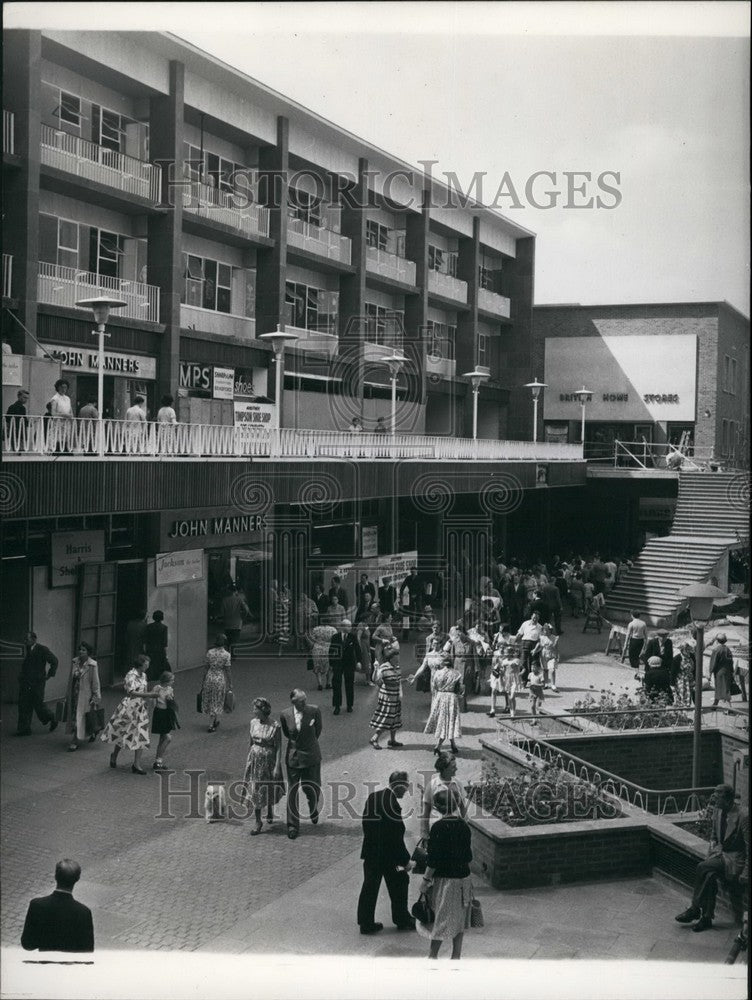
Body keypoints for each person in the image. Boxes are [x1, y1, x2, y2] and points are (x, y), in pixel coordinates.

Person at [675, 784, 749, 932]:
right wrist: (712, 852)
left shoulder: (743, 816)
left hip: (735, 859)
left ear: (728, 800)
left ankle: (695, 908)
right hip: (719, 854)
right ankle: (706, 918)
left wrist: (746, 872)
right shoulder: (718, 810)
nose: (714, 800)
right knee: (709, 874)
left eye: (718, 797)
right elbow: (713, 837)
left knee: (702, 867)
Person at [357, 770, 416, 935]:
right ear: (398, 785)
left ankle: (365, 923)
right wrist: (406, 861)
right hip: (389, 859)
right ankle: (402, 919)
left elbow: (366, 823)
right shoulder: (392, 805)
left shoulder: (374, 797)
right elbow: (396, 836)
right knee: (401, 881)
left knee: (369, 887)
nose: (406, 790)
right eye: (405, 786)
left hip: (371, 853)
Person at [417, 788, 474, 959]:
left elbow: (434, 860)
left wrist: (425, 880)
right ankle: (456, 955)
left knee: (441, 920)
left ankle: (432, 956)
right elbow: (468, 856)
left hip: (447, 881)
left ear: (438, 808)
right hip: (464, 879)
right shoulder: (464, 826)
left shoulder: (438, 827)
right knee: (460, 919)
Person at [101, 655, 158, 773]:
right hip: (130, 707)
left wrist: (146, 701)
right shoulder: (131, 675)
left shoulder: (144, 675)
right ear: (140, 664)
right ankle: (114, 754)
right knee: (122, 732)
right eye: (146, 663)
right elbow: (132, 692)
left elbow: (144, 690)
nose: (148, 665)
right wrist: (150, 695)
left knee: (141, 734)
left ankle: (136, 764)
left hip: (140, 708)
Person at [21, 859, 94, 953]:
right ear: (77, 879)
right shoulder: (83, 913)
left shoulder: (37, 905)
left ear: (55, 876)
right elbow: (87, 951)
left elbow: (27, 944)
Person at [280, 688, 323, 840]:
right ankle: (292, 826)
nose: (305, 702)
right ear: (293, 702)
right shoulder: (285, 714)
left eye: (305, 699)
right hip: (294, 757)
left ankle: (313, 807)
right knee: (293, 791)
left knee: (313, 787)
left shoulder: (314, 711)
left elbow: (318, 730)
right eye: (301, 701)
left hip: (311, 756)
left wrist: (309, 744)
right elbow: (287, 733)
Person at [242, 697, 284, 836]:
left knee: (269, 786)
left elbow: (278, 747)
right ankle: (258, 821)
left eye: (256, 708)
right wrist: (249, 760)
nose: (253, 711)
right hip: (255, 761)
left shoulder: (275, 726)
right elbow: (250, 742)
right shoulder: (253, 723)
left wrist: (277, 766)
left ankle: (270, 809)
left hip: (269, 760)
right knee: (256, 790)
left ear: (262, 710)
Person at [419, 750, 468, 841]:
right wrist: (424, 832)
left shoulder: (457, 784)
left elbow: (463, 807)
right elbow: (425, 811)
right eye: (453, 767)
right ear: (444, 769)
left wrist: (465, 826)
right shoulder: (432, 785)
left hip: (455, 827)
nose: (456, 769)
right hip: (437, 828)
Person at [16, 631, 59, 736]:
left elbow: (54, 660)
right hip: (26, 682)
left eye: (27, 639)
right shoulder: (27, 649)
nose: (25, 641)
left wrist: (49, 674)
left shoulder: (42, 649)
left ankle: (52, 718)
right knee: (24, 705)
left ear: (34, 639)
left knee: (38, 705)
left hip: (37, 683)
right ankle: (24, 729)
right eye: (24, 639)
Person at [64, 641, 102, 752]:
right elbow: (70, 679)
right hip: (74, 694)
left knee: (81, 716)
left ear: (88, 652)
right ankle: (93, 731)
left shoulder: (92, 665)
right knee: (77, 716)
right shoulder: (75, 662)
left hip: (86, 695)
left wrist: (96, 696)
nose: (81, 651)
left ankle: (75, 740)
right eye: (80, 649)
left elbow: (96, 682)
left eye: (84, 650)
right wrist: (67, 694)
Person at [423, 654, 463, 755]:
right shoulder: (456, 674)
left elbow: (435, 686)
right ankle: (438, 746)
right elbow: (459, 689)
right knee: (449, 721)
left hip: (440, 697)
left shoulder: (437, 673)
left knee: (443, 721)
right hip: (451, 698)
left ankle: (453, 745)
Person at [369, 641, 403, 750]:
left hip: (395, 697)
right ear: (390, 658)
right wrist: (375, 670)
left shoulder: (397, 668)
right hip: (387, 698)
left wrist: (407, 680)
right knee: (386, 718)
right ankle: (374, 738)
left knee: (395, 718)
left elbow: (398, 681)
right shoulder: (383, 668)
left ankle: (392, 740)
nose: (398, 659)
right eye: (396, 657)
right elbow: (376, 680)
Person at [201, 634, 233, 732]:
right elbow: (227, 670)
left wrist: (203, 680)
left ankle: (214, 720)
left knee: (210, 699)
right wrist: (230, 683)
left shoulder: (210, 652)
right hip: (219, 678)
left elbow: (206, 667)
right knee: (217, 700)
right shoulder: (226, 654)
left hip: (209, 677)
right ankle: (211, 725)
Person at [330, 620, 360, 715]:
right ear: (343, 627)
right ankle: (337, 706)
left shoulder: (352, 637)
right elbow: (331, 650)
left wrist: (359, 661)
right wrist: (331, 664)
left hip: (349, 663)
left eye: (350, 626)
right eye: (348, 626)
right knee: (336, 684)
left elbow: (357, 649)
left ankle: (349, 705)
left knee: (349, 684)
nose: (350, 628)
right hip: (338, 664)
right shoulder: (335, 637)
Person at [151, 670, 179, 771]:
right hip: (159, 713)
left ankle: (158, 761)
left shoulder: (170, 689)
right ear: (166, 681)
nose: (173, 682)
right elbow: (153, 702)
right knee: (167, 738)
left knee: (162, 738)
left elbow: (172, 701)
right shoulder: (157, 688)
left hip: (166, 713)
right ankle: (158, 760)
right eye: (171, 680)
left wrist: (170, 698)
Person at [222, 584, 250, 657]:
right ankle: (233, 654)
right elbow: (246, 610)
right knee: (235, 638)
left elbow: (222, 612)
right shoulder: (239, 600)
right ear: (235, 591)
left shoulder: (224, 600)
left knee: (228, 638)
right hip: (237, 622)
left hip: (227, 622)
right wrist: (243, 617)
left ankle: (228, 653)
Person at [515, 610, 542, 684]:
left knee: (532, 663)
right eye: (533, 617)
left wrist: (535, 649)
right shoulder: (525, 624)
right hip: (524, 644)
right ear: (531, 617)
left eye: (536, 618)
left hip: (534, 645)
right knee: (523, 662)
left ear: (538, 618)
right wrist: (515, 642)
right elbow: (519, 634)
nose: (535, 619)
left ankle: (532, 679)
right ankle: (524, 680)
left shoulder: (540, 627)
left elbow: (540, 640)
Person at [710, 633, 735, 709]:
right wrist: (732, 671)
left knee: (722, 689)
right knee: (724, 688)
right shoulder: (728, 649)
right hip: (727, 672)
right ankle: (715, 704)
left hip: (719, 673)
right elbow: (731, 662)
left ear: (717, 641)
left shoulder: (716, 650)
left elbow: (713, 662)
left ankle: (728, 707)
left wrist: (710, 672)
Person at [309, 621, 337, 691]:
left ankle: (320, 684)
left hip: (317, 648)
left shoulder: (316, 629)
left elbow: (311, 639)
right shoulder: (333, 630)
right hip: (328, 648)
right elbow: (335, 639)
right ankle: (328, 683)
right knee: (330, 666)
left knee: (317, 666)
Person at [142, 610, 169, 682]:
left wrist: (145, 650)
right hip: (160, 650)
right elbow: (164, 643)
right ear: (162, 618)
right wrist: (166, 654)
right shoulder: (164, 628)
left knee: (151, 666)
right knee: (160, 665)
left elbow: (145, 640)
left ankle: (150, 679)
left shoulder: (148, 627)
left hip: (150, 649)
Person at [533, 623, 560, 691]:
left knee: (552, 669)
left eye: (547, 630)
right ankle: (546, 683)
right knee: (545, 670)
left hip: (552, 654)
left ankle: (553, 685)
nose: (545, 631)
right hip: (544, 654)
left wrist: (557, 656)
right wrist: (535, 650)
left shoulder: (554, 638)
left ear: (550, 630)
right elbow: (540, 646)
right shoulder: (542, 637)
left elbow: (556, 648)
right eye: (544, 630)